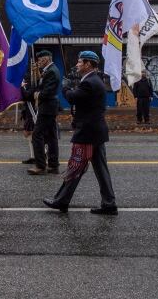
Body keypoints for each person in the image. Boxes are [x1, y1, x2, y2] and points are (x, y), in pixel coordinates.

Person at [43, 51, 117, 215]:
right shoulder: (92, 80)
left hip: (88, 133)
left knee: (75, 166)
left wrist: (65, 87)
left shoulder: (90, 82)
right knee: (99, 170)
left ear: (88, 64)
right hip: (95, 132)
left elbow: (72, 98)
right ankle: (109, 203)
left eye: (79, 62)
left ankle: (61, 201)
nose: (77, 64)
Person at [26, 50, 61, 175]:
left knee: (37, 135)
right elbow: (43, 84)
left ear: (46, 59)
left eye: (40, 60)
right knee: (51, 137)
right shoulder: (49, 70)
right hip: (49, 107)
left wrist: (36, 94)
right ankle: (53, 165)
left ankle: (40, 166)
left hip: (47, 107)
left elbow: (47, 92)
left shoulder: (52, 71)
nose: (38, 62)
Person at [20, 73, 37, 165]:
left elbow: (27, 96)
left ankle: (43, 152)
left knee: (31, 133)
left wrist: (21, 87)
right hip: (28, 111)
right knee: (29, 135)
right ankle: (33, 156)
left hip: (33, 112)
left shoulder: (34, 85)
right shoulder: (30, 83)